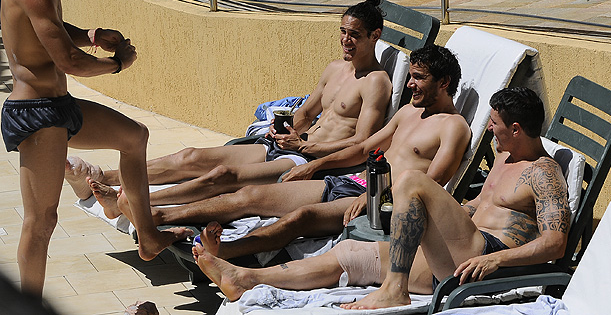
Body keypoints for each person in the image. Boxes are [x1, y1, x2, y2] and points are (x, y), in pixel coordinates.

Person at [190, 87, 571, 310]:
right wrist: (443, 216)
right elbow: (479, 206)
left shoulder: (543, 173)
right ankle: (244, 278)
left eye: (495, 124)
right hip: (458, 255)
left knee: (410, 181)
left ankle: (394, 290)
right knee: (350, 254)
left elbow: (556, 242)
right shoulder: (505, 157)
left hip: (486, 260)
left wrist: (497, 259)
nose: (488, 129)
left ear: (516, 129)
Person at [91, 45, 471, 264]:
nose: (412, 84)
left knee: (299, 218)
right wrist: (315, 164)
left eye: (420, 78)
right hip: (351, 181)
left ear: (444, 83)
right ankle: (156, 218)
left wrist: (373, 195)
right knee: (248, 197)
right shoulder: (409, 113)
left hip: (380, 201)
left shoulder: (455, 128)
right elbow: (361, 148)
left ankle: (223, 253)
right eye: (412, 76)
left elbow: (428, 183)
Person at [0, 0, 191, 297]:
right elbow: (69, 61)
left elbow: (50, 28)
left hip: (57, 106)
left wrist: (90, 35)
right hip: (36, 114)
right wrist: (117, 63)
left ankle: (148, 237)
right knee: (41, 222)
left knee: (134, 136)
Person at [66, 0, 393, 203]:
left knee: (221, 177)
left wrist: (305, 147)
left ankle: (133, 202)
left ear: (375, 36)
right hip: (288, 145)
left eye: (354, 35)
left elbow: (362, 144)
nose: (345, 40)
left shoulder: (376, 82)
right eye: (342, 31)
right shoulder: (335, 68)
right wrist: (282, 129)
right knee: (190, 157)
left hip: (307, 161)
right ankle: (102, 177)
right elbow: (306, 114)